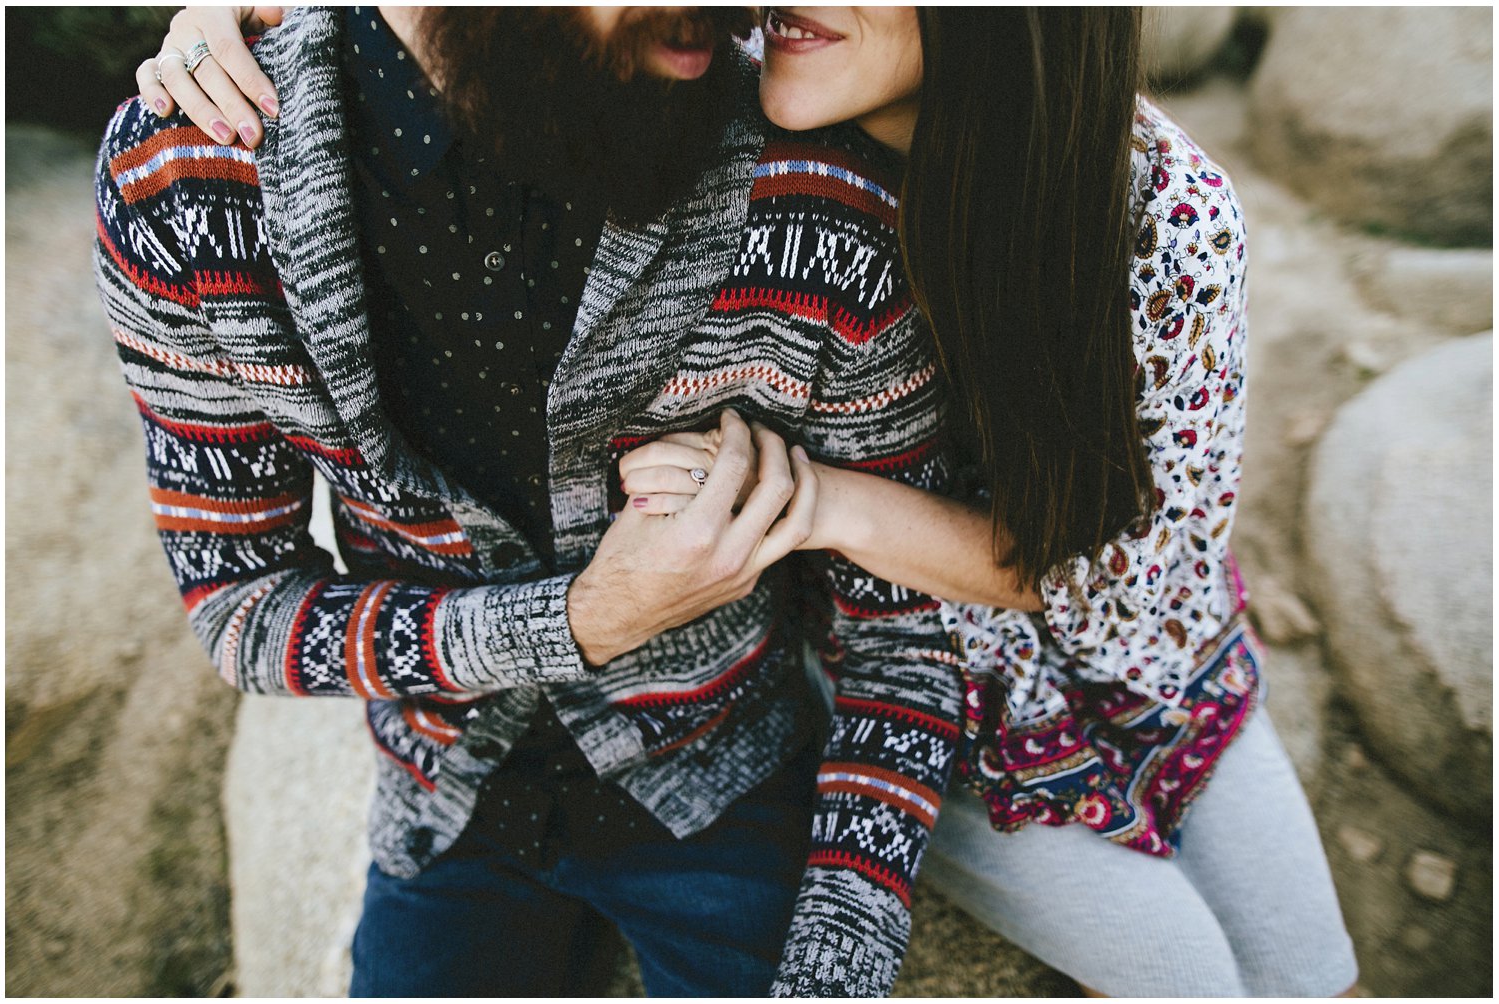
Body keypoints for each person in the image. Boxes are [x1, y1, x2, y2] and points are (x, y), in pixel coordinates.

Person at [144, 5, 1360, 997]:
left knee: (1302, 967)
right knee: (1190, 970)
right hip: (787, 679)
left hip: (1117, 649)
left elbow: (1126, 571)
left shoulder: (1155, 217)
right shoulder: (718, 92)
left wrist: (823, 500)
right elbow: (491, 48)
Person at [104, 6, 961, 996]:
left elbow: (904, 633)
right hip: (447, 797)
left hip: (732, 775)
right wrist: (583, 620)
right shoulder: (185, 175)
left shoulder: (817, 187)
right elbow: (240, 609)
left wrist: (834, 963)